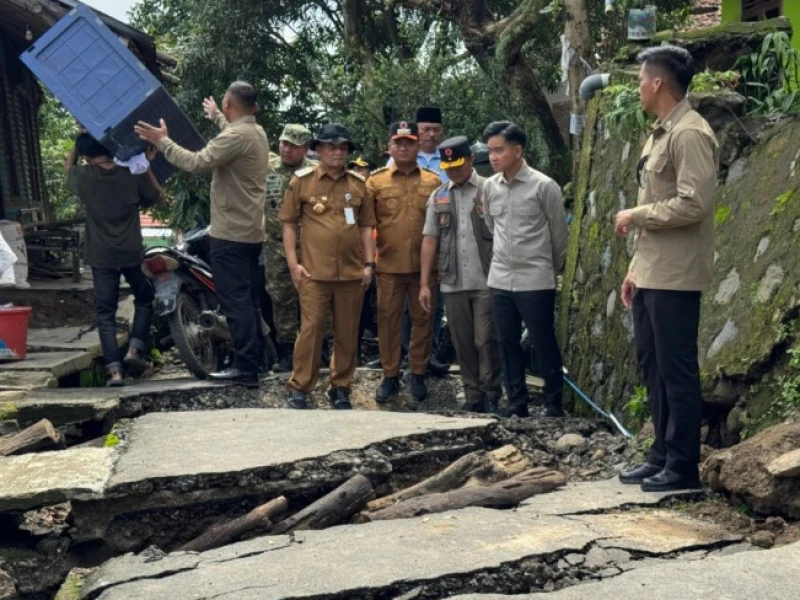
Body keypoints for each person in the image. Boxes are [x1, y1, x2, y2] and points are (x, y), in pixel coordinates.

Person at [614, 46, 718, 493]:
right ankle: (661, 453)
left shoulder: (690, 133)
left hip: (676, 275)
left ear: (658, 83)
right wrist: (634, 268)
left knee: (676, 369)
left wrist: (636, 215)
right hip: (652, 270)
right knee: (651, 365)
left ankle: (683, 466)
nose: (638, 87)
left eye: (640, 80)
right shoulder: (660, 133)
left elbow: (696, 203)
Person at [135, 81, 271, 386]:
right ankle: (257, 360)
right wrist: (216, 118)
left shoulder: (237, 135)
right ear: (254, 107)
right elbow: (232, 132)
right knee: (246, 300)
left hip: (231, 234)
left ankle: (246, 368)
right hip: (250, 232)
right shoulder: (255, 132)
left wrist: (164, 141)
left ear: (228, 103)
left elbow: (197, 162)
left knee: (235, 302)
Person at [279, 124, 375, 409]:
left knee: (347, 332)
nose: (337, 152)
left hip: (351, 273)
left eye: (343, 147)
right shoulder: (302, 181)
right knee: (312, 329)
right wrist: (294, 265)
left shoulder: (358, 185)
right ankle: (300, 388)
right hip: (313, 273)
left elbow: (366, 226)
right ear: (318, 150)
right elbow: (287, 224)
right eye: (331, 147)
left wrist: (369, 265)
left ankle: (341, 387)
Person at [482, 120, 568, 418]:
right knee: (506, 341)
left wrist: (550, 269)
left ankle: (553, 402)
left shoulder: (544, 186)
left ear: (518, 150)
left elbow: (559, 236)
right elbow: (492, 228)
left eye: (499, 150)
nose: (492, 157)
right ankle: (516, 401)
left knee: (543, 341)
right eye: (490, 151)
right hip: (501, 277)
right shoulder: (490, 187)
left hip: (536, 278)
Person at [65, 133, 162, 386]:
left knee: (105, 312)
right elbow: (156, 196)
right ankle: (134, 350)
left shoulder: (85, 177)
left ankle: (115, 372)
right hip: (131, 252)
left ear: (87, 158)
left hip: (101, 255)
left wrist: (77, 144)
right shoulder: (131, 173)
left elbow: (68, 169)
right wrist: (145, 164)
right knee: (145, 297)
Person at [419, 136, 502, 414]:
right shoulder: (439, 195)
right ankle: (472, 395)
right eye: (448, 166)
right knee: (462, 341)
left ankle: (492, 393)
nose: (453, 170)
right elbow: (430, 239)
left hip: (487, 278)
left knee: (485, 338)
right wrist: (424, 284)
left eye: (458, 164)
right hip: (453, 281)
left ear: (469, 160)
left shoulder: (489, 189)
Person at [368, 121, 441, 402]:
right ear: (389, 147)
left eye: (409, 142)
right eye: (397, 142)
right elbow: (366, 226)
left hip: (425, 270)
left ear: (417, 145)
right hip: (388, 267)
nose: (403, 147)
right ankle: (390, 376)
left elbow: (441, 227)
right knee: (388, 322)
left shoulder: (433, 181)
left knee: (423, 320)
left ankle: (418, 373)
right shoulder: (375, 181)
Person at [266, 124, 318, 373]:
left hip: (312, 248)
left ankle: (321, 348)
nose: (286, 149)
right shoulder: (268, 168)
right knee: (281, 299)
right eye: (284, 143)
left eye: (293, 146)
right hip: (276, 246)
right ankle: (286, 353)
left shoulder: (317, 172)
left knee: (316, 298)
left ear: (305, 149)